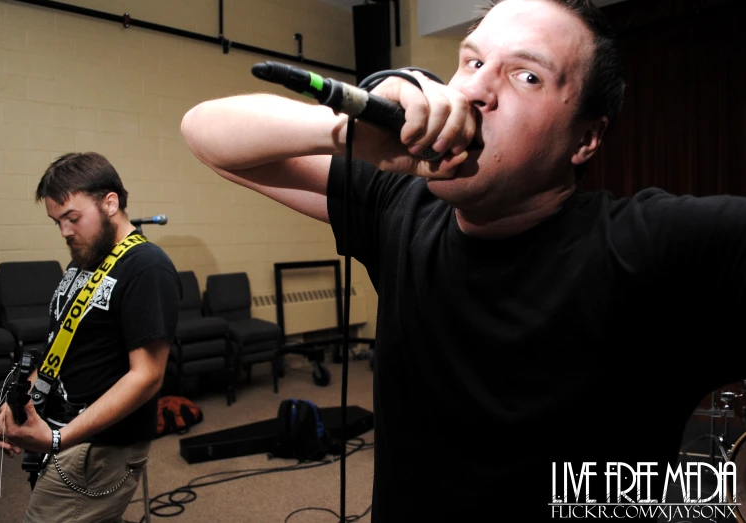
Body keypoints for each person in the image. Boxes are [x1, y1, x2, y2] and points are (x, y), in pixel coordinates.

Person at [180, 0, 745, 520]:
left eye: (527, 76)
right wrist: (342, 130)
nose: (476, 93)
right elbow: (205, 133)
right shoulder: (401, 204)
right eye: (471, 62)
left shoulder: (653, 246)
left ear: (586, 140)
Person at [0, 152, 181, 523]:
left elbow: (147, 376)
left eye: (72, 218)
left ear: (110, 202)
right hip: (64, 433)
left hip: (99, 447)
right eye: (56, 221)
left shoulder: (147, 267)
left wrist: (60, 439)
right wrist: (18, 407)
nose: (64, 231)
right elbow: (61, 347)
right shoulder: (85, 258)